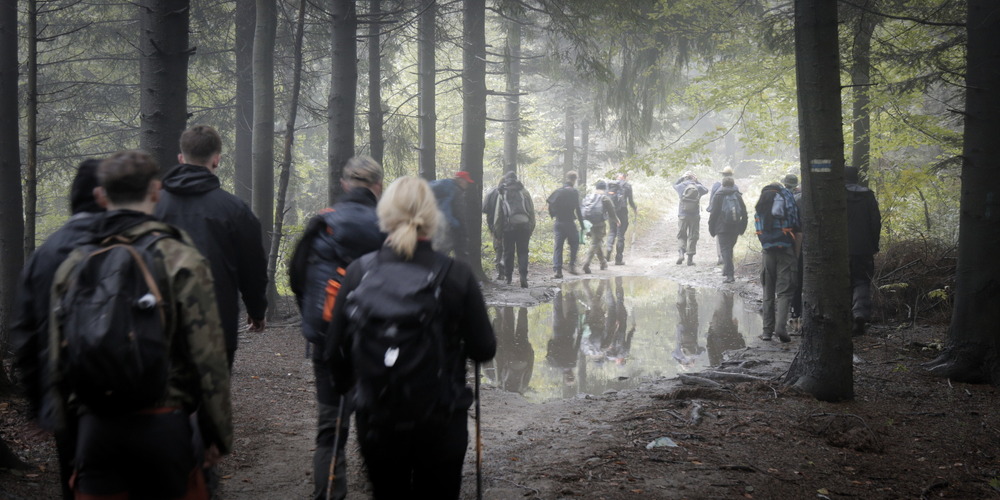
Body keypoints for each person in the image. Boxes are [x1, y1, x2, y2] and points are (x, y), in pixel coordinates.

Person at [49, 150, 231, 499]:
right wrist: (215, 434)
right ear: (155, 191)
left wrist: (72, 437)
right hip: (164, 424)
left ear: (101, 195)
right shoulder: (181, 258)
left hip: (96, 428)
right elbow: (208, 357)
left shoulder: (73, 265)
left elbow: (59, 362)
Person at [326, 177, 495, 499]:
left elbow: (334, 352)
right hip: (441, 420)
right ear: (432, 217)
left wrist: (352, 384)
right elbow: (484, 348)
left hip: (377, 419)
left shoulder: (359, 272)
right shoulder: (456, 274)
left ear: (385, 215)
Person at [292, 156, 385, 500]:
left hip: (328, 339)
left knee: (330, 426)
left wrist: (313, 323)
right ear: (378, 187)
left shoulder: (322, 223)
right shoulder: (388, 226)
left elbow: (298, 276)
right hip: (376, 339)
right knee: (377, 422)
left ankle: (329, 492)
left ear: (345, 184)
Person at [12, 159, 104, 499]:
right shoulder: (130, 245)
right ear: (103, 196)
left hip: (67, 396)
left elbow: (26, 335)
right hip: (128, 391)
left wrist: (40, 405)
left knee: (76, 479)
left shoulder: (45, 253)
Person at [155, 125, 268, 368]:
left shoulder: (152, 206)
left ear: (181, 158)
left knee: (165, 403)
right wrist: (256, 310)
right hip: (216, 325)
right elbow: (253, 267)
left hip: (159, 324)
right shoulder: (235, 210)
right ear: (216, 159)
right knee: (212, 403)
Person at [755, 174, 802, 343]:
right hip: (786, 250)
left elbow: (758, 229)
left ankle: (767, 332)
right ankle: (780, 328)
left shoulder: (761, 203)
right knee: (784, 291)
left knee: (768, 291)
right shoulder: (786, 198)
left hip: (767, 251)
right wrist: (795, 255)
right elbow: (797, 228)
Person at [845, 166, 881, 336]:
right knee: (862, 281)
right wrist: (874, 244)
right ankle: (859, 314)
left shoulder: (835, 196)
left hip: (840, 248)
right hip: (863, 247)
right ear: (857, 178)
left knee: (842, 282)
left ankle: (845, 319)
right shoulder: (868, 195)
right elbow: (876, 222)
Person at [707, 176, 748, 283]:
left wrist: (711, 228)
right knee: (729, 249)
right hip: (735, 227)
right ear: (733, 184)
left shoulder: (718, 195)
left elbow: (713, 214)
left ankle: (730, 275)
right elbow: (744, 212)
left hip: (722, 228)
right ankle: (726, 270)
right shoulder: (737, 195)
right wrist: (743, 227)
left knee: (725, 250)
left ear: (723, 184)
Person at [498, 172, 535, 287]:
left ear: (506, 180)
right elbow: (531, 211)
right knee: (523, 252)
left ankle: (508, 278)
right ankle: (523, 277)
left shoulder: (502, 193)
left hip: (508, 228)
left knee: (508, 252)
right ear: (516, 179)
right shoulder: (524, 192)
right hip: (524, 227)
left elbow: (498, 215)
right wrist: (531, 226)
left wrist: (498, 231)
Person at [546, 171, 585, 278]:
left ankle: (558, 270)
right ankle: (572, 265)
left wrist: (553, 214)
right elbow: (578, 210)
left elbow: (550, 202)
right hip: (569, 223)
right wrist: (582, 225)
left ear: (567, 178)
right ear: (574, 180)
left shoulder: (559, 191)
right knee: (575, 243)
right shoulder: (574, 192)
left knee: (558, 246)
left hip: (559, 222)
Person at [430, 171, 475, 263]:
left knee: (440, 253)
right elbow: (460, 213)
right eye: (466, 181)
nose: (467, 184)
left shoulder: (444, 189)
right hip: (451, 228)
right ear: (460, 180)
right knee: (461, 255)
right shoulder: (457, 191)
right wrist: (464, 230)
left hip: (438, 225)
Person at [581, 180, 619, 273]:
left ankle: (603, 262)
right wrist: (617, 220)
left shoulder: (589, 196)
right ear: (604, 189)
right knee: (595, 243)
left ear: (596, 188)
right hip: (599, 224)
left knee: (597, 242)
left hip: (587, 224)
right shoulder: (604, 198)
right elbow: (611, 212)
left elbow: (581, 208)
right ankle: (586, 264)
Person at [673, 171, 708, 265]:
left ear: (685, 178)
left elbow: (674, 185)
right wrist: (697, 181)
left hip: (682, 215)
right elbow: (706, 190)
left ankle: (681, 254)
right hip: (694, 215)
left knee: (681, 235)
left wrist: (681, 177)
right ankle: (690, 260)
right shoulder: (698, 187)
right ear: (693, 178)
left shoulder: (681, 186)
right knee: (693, 236)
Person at [708, 166, 739, 265]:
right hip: (733, 218)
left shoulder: (717, 186)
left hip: (720, 218)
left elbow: (712, 203)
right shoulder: (735, 187)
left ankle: (721, 256)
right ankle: (728, 258)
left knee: (720, 238)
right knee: (731, 239)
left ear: (722, 175)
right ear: (731, 175)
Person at [606, 173, 637, 265]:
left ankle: (608, 249)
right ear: (625, 177)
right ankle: (618, 259)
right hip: (622, 211)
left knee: (612, 231)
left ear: (617, 177)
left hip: (611, 211)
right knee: (620, 235)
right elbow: (630, 201)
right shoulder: (627, 185)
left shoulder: (610, 185)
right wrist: (635, 208)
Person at [482, 174, 509, 280]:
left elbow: (485, 209)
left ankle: (500, 273)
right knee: (508, 247)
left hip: (493, 223)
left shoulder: (491, 192)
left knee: (498, 246)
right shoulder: (511, 192)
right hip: (509, 224)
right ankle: (507, 270)